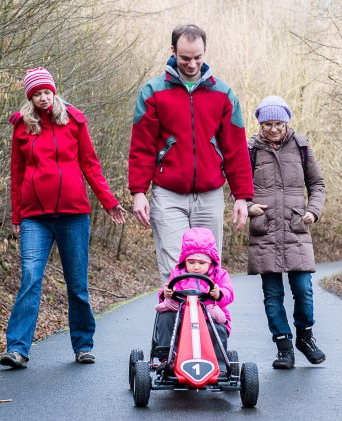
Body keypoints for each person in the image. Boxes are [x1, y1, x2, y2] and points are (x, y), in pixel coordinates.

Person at [1, 67, 126, 369]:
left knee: (77, 284)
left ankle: (83, 346)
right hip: (35, 217)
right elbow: (17, 173)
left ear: (54, 92)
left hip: (73, 215)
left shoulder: (74, 121)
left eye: (47, 92)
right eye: (37, 94)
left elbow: (90, 165)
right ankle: (17, 349)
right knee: (30, 278)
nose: (43, 98)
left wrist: (109, 202)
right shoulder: (22, 127)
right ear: (30, 98)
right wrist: (17, 215)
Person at [128, 24, 253, 284]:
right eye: (185, 58)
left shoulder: (224, 94)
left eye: (198, 57)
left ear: (205, 52)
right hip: (168, 195)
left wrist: (241, 196)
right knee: (176, 273)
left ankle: (207, 313)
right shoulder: (152, 92)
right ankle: (177, 312)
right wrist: (138, 192)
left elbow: (235, 148)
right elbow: (142, 147)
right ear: (173, 51)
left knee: (208, 271)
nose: (192, 64)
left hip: (210, 196)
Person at [246, 96, 326, 369]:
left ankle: (305, 337)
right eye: (267, 124)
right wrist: (248, 206)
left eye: (278, 124)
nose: (273, 129)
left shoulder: (301, 146)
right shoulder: (250, 149)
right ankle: (284, 348)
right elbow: (237, 186)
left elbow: (317, 184)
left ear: (286, 122)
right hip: (265, 230)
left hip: (296, 228)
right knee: (272, 295)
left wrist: (313, 211)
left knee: (303, 290)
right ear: (260, 124)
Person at [153, 227, 234, 372]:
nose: (196, 267)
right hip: (182, 315)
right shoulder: (178, 273)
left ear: (210, 261)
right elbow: (167, 291)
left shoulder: (219, 275)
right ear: (185, 260)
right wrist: (167, 293)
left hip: (208, 317)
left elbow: (229, 293)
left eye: (201, 263)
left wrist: (218, 293)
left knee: (217, 328)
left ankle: (219, 364)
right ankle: (168, 358)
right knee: (165, 317)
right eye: (191, 262)